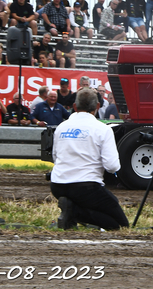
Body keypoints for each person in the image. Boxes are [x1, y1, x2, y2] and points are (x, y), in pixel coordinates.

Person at [50, 87, 129, 230]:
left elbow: (56, 158)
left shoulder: (61, 127)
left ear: (75, 106)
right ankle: (73, 212)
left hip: (58, 185)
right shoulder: (102, 129)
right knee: (120, 225)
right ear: (97, 106)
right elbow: (112, 166)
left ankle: (71, 210)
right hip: (86, 187)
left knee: (102, 203)